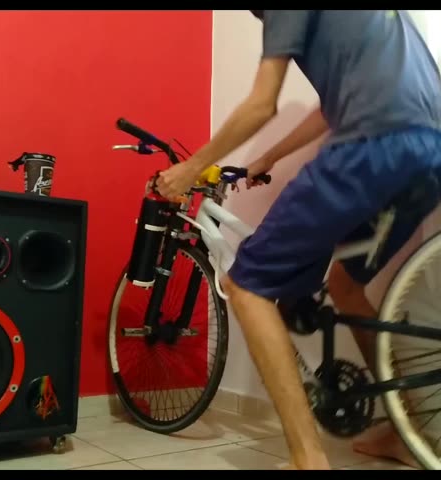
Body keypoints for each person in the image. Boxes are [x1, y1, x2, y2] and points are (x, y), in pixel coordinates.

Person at [156, 10, 441, 470]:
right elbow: (331, 108)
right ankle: (408, 430)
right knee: (346, 286)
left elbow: (261, 104)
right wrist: (269, 157)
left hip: (373, 143)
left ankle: (308, 460)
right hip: (430, 151)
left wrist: (190, 169)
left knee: (245, 286)